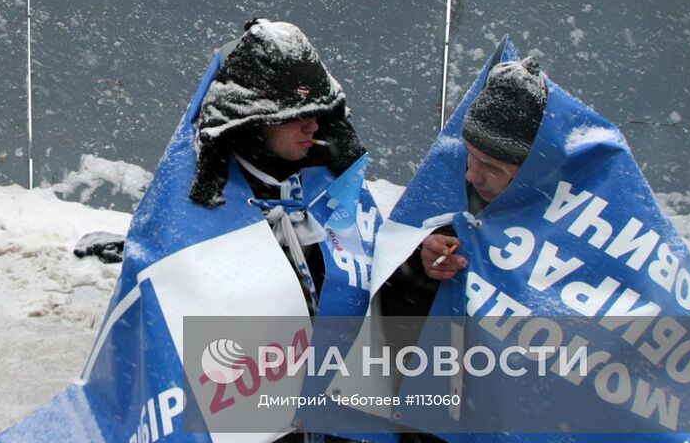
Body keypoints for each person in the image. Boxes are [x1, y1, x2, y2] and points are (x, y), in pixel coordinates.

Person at [189, 19, 366, 312]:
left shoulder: (333, 186)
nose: (313, 126)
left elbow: (380, 297)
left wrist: (421, 261)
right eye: (295, 115)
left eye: (321, 113)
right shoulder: (203, 208)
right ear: (253, 121)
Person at [378, 56, 547, 317]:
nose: (471, 175)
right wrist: (423, 260)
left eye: (492, 167)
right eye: (470, 155)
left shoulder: (576, 222)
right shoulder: (450, 197)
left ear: (530, 173)